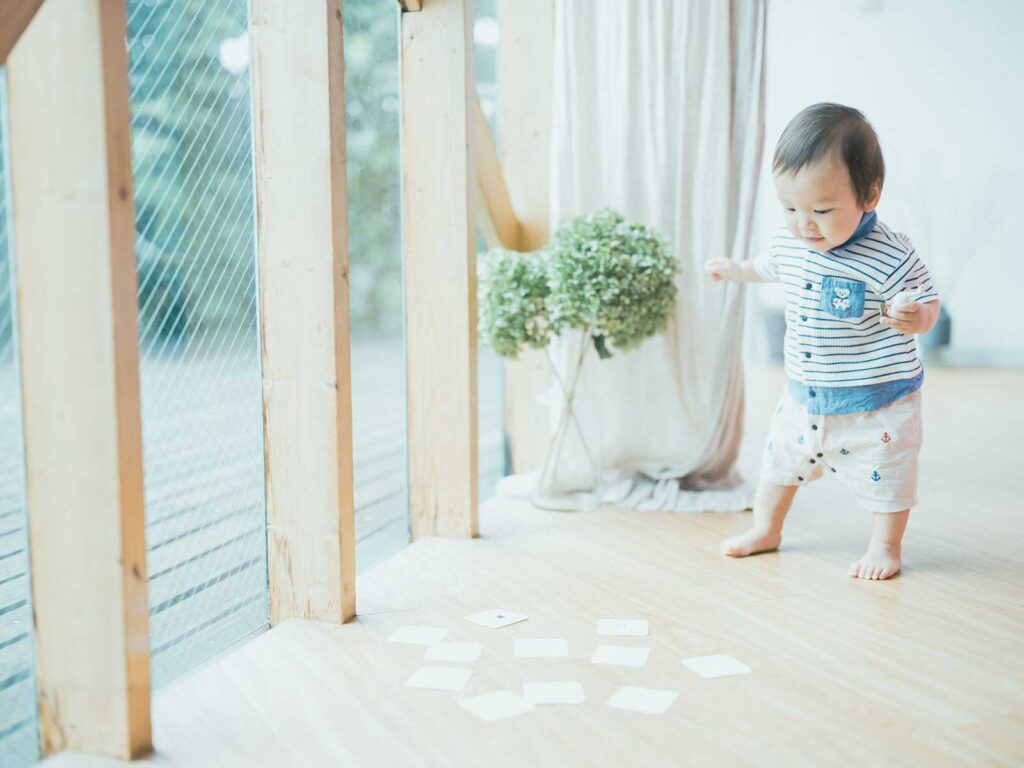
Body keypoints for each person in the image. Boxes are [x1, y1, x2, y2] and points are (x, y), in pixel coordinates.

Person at [704, 103, 940, 580]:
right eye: (789, 207)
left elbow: (929, 305)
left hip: (878, 400)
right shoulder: (792, 241)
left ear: (869, 195)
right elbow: (768, 266)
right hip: (804, 394)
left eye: (822, 210)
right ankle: (767, 529)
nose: (803, 223)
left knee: (888, 474)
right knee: (778, 462)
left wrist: (914, 316)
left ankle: (885, 546)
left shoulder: (890, 254)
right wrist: (736, 270)